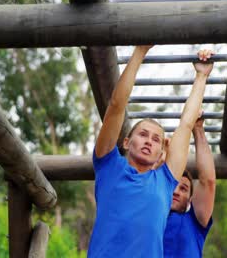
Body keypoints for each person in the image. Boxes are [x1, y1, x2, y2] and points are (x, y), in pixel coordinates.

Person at [87, 46, 214, 258]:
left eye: (156, 139)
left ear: (160, 153)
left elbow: (185, 125)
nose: (149, 141)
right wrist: (140, 50)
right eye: (143, 135)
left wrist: (201, 76)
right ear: (126, 142)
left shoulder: (165, 181)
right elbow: (117, 106)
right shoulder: (109, 166)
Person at [163, 117, 216, 258]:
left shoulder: (193, 222)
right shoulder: (149, 215)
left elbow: (208, 181)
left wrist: (198, 129)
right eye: (173, 185)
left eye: (183, 188)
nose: (176, 191)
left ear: (190, 200)